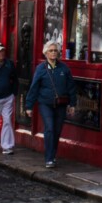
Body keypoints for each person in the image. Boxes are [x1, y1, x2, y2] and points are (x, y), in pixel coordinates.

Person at [25, 41, 77, 169]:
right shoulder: (40, 69)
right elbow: (34, 87)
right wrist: (29, 106)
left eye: (55, 51)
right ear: (46, 53)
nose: (53, 53)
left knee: (57, 131)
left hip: (61, 104)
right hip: (45, 103)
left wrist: (72, 104)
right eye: (51, 50)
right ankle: (49, 158)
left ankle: (52, 155)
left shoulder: (64, 68)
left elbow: (71, 87)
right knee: (49, 128)